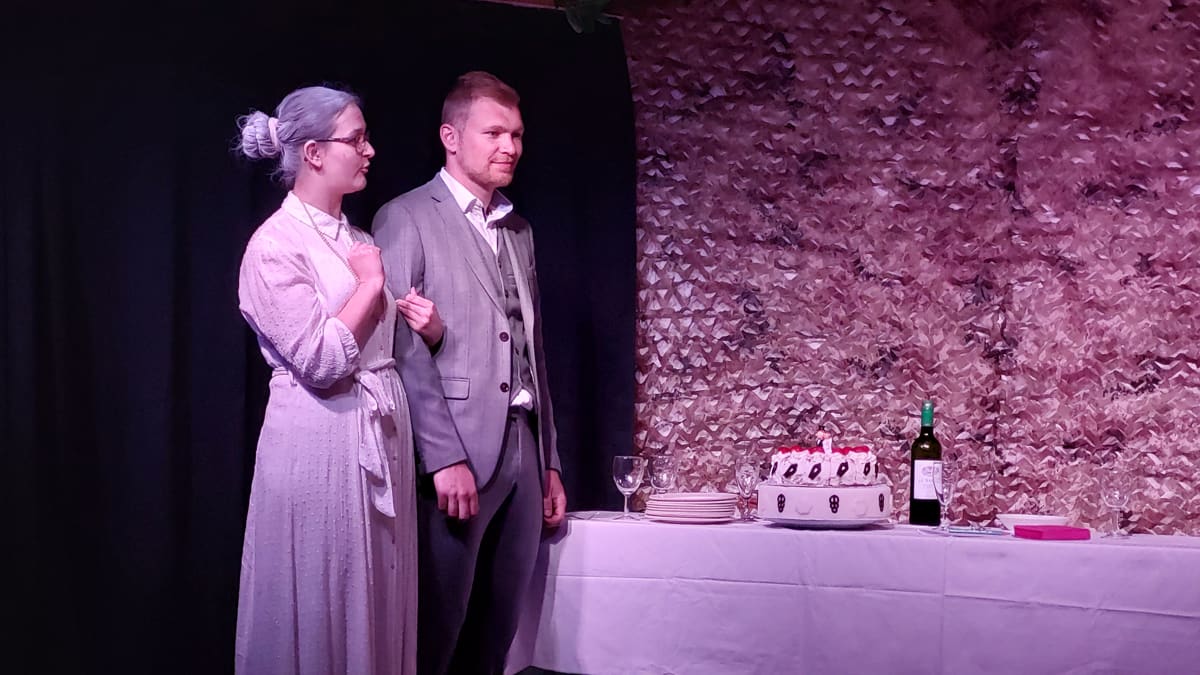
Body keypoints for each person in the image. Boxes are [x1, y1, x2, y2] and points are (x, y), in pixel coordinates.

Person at [372, 71, 567, 675]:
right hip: (455, 451)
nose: (510, 146)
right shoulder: (406, 217)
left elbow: (532, 349)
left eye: (517, 134)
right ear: (450, 137)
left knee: (498, 631)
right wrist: (442, 457)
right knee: (438, 627)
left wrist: (550, 462)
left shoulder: (518, 229)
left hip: (522, 449)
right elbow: (400, 345)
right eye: (494, 133)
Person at [234, 85, 420, 675]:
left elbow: (378, 343)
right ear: (314, 153)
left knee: (378, 596)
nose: (370, 150)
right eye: (356, 139)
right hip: (321, 439)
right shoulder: (274, 246)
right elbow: (318, 359)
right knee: (324, 594)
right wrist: (370, 286)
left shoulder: (357, 239)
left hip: (378, 432)